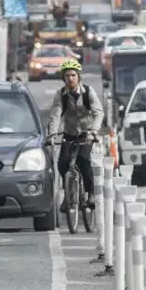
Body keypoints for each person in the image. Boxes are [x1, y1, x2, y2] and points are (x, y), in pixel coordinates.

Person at [46, 58, 104, 212]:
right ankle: (68, 195)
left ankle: (90, 193)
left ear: (78, 77)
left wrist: (95, 131)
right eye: (67, 76)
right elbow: (55, 115)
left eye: (73, 75)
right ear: (63, 78)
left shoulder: (88, 92)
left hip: (87, 133)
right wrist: (51, 135)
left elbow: (98, 113)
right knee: (63, 163)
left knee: (84, 160)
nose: (70, 78)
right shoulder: (60, 95)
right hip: (70, 133)